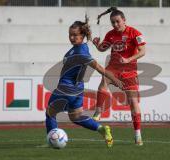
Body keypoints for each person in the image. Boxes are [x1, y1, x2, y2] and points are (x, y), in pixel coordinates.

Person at [45, 17, 123, 148]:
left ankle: (51, 141)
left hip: (66, 87)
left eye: (75, 35)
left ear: (82, 36)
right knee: (76, 117)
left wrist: (114, 79)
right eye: (70, 35)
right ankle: (101, 129)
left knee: (50, 113)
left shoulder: (80, 52)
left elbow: (99, 68)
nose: (71, 38)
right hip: (77, 89)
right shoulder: (80, 48)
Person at [92, 7, 146, 146]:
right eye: (113, 22)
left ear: (124, 20)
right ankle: (98, 112)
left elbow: (143, 51)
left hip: (129, 70)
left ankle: (137, 135)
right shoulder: (111, 34)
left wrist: (129, 59)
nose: (115, 25)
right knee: (103, 81)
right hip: (114, 68)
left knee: (133, 103)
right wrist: (97, 44)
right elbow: (103, 48)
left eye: (117, 22)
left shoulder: (134, 33)